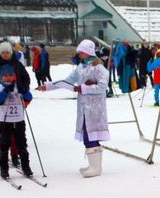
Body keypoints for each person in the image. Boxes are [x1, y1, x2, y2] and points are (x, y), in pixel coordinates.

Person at [38, 39, 110, 178]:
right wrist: (48, 86)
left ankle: (96, 167)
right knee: (86, 133)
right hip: (84, 107)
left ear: (88, 52)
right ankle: (94, 165)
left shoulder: (99, 67)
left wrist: (82, 88)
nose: (79, 54)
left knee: (91, 135)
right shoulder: (81, 67)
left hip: (95, 108)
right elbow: (68, 81)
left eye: (81, 52)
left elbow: (102, 87)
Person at [0, 64, 33, 179]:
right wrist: (6, 91)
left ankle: (26, 167)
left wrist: (24, 91)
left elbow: (29, 98)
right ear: (1, 77)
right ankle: (4, 169)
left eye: (10, 75)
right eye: (5, 76)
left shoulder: (18, 86)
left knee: (22, 145)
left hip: (19, 120)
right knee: (4, 145)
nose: (8, 78)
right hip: (4, 121)